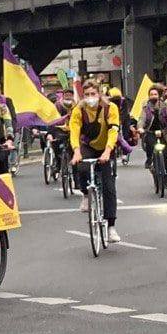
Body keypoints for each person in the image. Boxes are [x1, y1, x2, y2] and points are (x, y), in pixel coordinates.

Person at [69, 78, 121, 243]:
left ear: (99, 94)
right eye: (87, 94)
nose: (90, 97)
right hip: (88, 146)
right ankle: (85, 194)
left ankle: (111, 227)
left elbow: (113, 130)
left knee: (108, 186)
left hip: (106, 147)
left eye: (93, 94)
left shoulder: (110, 108)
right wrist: (76, 151)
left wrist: (107, 151)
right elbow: (74, 131)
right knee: (81, 167)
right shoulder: (79, 110)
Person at [139, 85, 167, 172]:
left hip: (164, 131)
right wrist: (140, 128)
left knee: (165, 154)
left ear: (159, 95)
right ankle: (149, 159)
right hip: (151, 131)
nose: (153, 96)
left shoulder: (165, 104)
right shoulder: (146, 106)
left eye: (155, 94)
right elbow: (142, 118)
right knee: (149, 144)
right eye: (151, 94)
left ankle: (166, 176)